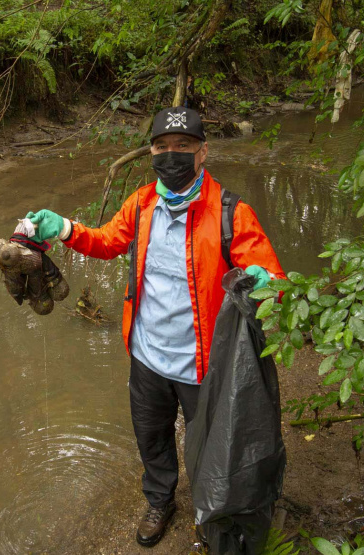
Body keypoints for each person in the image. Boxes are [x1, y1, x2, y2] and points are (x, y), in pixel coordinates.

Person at [25, 106, 285, 548]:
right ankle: (160, 500)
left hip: (205, 364)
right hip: (147, 355)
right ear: (151, 152)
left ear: (203, 152)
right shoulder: (142, 203)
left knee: (212, 447)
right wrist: (65, 228)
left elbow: (273, 280)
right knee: (152, 439)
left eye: (183, 147)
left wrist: (265, 283)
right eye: (163, 147)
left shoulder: (230, 212)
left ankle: (212, 511)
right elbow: (108, 242)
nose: (172, 155)